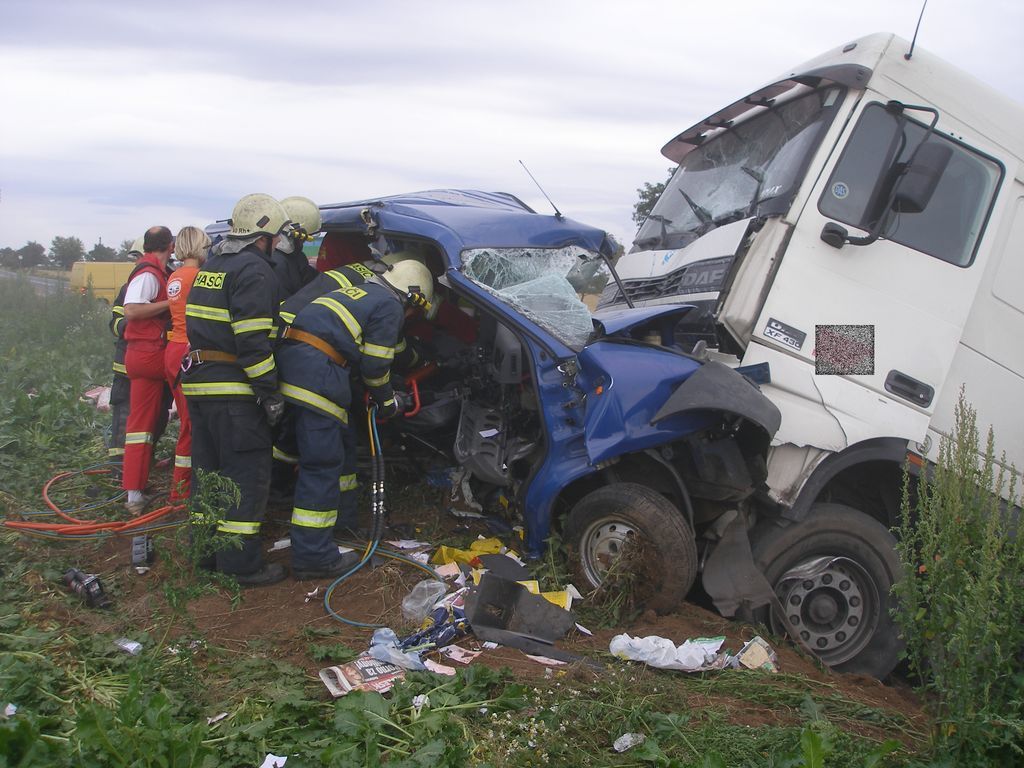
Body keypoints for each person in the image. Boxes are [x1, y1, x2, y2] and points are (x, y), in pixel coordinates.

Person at [275, 258, 434, 578]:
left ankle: (342, 526)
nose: (410, 317)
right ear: (413, 296)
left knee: (341, 448)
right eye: (415, 311)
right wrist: (389, 402)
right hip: (317, 374)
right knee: (321, 464)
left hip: (296, 366)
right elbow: (376, 367)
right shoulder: (390, 303)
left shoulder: (362, 292)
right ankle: (312, 556)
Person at [182, 193, 290, 586]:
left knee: (208, 472)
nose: (277, 244)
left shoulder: (212, 266)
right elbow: (252, 341)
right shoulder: (256, 271)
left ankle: (206, 553)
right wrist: (269, 393)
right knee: (245, 474)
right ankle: (241, 566)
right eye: (276, 237)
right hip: (234, 392)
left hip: (199, 386)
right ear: (264, 236)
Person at [122, 226, 174, 515]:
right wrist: (172, 303)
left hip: (144, 354)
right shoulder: (149, 275)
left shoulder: (155, 271)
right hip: (151, 354)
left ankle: (134, 492)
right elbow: (132, 310)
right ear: (170, 245)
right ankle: (185, 486)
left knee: (141, 426)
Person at [163, 226, 211, 502]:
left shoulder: (175, 276)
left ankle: (182, 488)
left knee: (186, 420)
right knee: (191, 425)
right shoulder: (197, 277)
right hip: (188, 351)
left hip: (173, 348)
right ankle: (181, 492)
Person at [271, 196, 320, 298]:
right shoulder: (276, 263)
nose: (303, 243)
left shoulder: (295, 256)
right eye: (303, 239)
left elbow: (311, 279)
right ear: (297, 234)